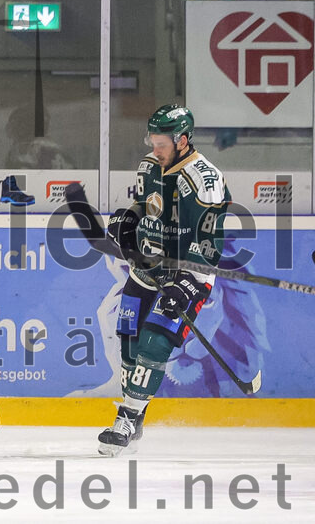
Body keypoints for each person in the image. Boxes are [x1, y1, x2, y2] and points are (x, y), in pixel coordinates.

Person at [99, 104, 230, 456]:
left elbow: (208, 244)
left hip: (188, 274)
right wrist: (128, 218)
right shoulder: (148, 165)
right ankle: (137, 413)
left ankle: (126, 419)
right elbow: (145, 205)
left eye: (161, 143)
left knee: (155, 344)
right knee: (128, 342)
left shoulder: (205, 179)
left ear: (183, 140)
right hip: (146, 269)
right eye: (151, 140)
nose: (154, 149)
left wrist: (184, 283)